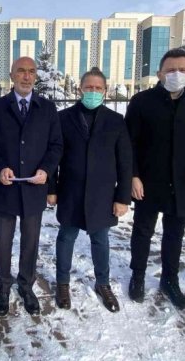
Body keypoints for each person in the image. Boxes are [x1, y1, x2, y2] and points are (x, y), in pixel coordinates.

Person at [125, 48, 185, 309]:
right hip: (148, 181)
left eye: (182, 70)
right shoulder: (142, 101)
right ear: (160, 73)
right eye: (170, 70)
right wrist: (133, 175)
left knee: (175, 234)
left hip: (184, 183)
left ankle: (170, 279)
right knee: (142, 231)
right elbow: (129, 143)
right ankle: (138, 276)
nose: (176, 74)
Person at [0, 56, 63, 316]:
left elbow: (56, 145)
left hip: (34, 188)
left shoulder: (47, 108)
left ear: (35, 76)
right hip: (6, 187)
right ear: (12, 75)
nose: (27, 76)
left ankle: (26, 285)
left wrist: (46, 170)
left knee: (30, 242)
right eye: (21, 71)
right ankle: (3, 287)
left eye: (31, 72)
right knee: (3, 242)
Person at [48, 67, 132, 312]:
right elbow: (53, 156)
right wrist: (51, 188)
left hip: (102, 194)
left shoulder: (116, 121)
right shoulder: (63, 118)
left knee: (101, 240)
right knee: (66, 238)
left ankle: (102, 283)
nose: (93, 92)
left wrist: (122, 197)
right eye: (89, 87)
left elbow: (125, 161)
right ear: (80, 89)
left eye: (98, 88)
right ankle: (62, 283)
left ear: (105, 91)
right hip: (71, 192)